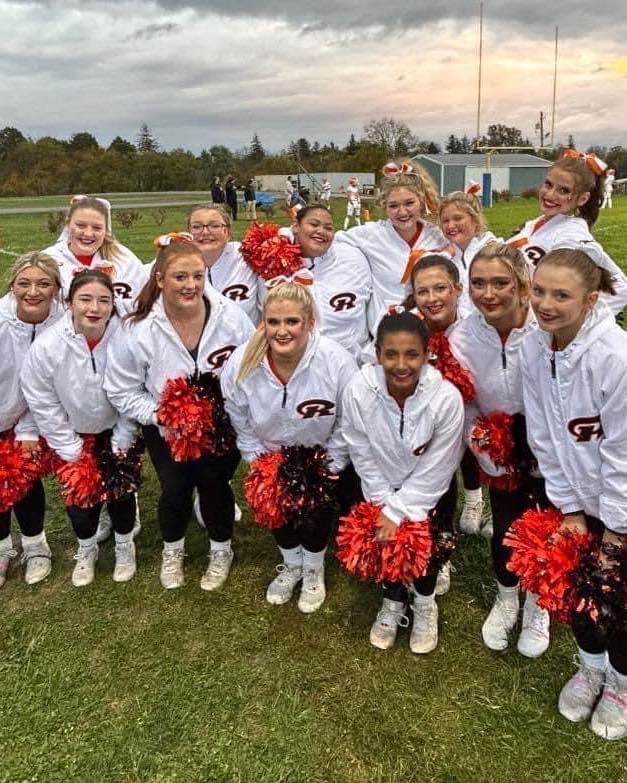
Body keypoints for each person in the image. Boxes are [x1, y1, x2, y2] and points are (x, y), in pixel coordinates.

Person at [105, 238, 254, 591]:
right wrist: (162, 416)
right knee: (175, 487)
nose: (190, 285)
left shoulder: (230, 316)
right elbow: (121, 390)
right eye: (180, 277)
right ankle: (173, 550)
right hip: (167, 429)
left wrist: (228, 413)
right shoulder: (136, 328)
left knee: (215, 485)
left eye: (198, 276)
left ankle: (221, 549)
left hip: (220, 426)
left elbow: (250, 370)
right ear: (159, 279)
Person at [522, 247, 627, 740]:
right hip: (574, 502)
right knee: (575, 593)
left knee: (618, 600)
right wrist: (568, 507)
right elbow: (542, 432)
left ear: (590, 300)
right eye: (539, 291)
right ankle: (591, 667)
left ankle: (622, 684)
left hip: (621, 502)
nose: (545, 304)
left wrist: (614, 530)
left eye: (560, 295)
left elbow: (622, 452)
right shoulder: (533, 346)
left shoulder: (616, 357)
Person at [221, 283, 358, 613]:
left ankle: (313, 569)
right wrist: (257, 457)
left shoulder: (336, 360)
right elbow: (237, 411)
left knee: (315, 515)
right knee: (277, 512)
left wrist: (332, 462)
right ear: (263, 322)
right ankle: (291, 564)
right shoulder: (242, 361)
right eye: (273, 322)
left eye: (292, 322)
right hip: (270, 453)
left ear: (310, 322)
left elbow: (351, 416)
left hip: (319, 455)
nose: (282, 331)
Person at [449, 243, 550, 657]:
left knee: (548, 527)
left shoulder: (546, 328)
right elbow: (466, 399)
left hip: (550, 450)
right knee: (507, 526)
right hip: (500, 447)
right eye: (478, 283)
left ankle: (539, 604)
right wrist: (486, 445)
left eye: (500, 283)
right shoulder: (463, 334)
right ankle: (507, 598)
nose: (488, 293)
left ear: (522, 283)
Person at [342, 311, 464, 652]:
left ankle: (425, 603)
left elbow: (440, 465)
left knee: (429, 549)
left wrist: (401, 510)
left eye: (412, 354)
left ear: (427, 354)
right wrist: (383, 502)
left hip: (431, 491)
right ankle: (392, 600)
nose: (401, 364)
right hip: (379, 487)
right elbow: (359, 447)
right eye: (391, 354)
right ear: (378, 353)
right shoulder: (357, 390)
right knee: (386, 546)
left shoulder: (446, 398)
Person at [20, 271, 139, 587]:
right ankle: (86, 549)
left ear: (113, 305)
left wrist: (125, 433)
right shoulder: (47, 347)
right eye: (85, 299)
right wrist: (68, 445)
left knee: (121, 494)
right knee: (80, 503)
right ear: (69, 302)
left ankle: (125, 544)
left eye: (104, 300)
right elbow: (41, 399)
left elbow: (136, 386)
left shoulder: (126, 338)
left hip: (116, 430)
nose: (94, 308)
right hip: (73, 435)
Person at [0, 252, 63, 587]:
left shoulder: (65, 324)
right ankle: (2, 548)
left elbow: (51, 385)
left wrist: (28, 428)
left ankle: (36, 545)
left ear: (56, 289)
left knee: (24, 478)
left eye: (44, 283)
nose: (33, 291)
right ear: (12, 286)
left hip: (33, 415)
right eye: (24, 283)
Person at [507, 150, 627, 314]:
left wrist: (576, 322)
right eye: (548, 184)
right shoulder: (538, 222)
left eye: (563, 191)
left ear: (582, 199)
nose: (550, 194)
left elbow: (620, 287)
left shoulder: (571, 235)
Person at [336, 160, 450, 332]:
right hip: (386, 335)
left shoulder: (438, 236)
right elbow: (331, 241)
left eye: (409, 203)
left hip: (433, 332)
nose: (402, 212)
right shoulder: (371, 235)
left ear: (421, 201)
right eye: (394, 205)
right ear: (384, 207)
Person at [269, 205, 371, 359]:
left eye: (328, 228)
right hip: (294, 364)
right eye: (314, 224)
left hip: (351, 365)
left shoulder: (353, 258)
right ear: (296, 226)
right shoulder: (272, 260)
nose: (321, 231)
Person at [44, 196, 148, 315]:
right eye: (81, 225)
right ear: (68, 224)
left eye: (97, 228)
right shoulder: (49, 261)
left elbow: (146, 296)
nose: (88, 233)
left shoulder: (123, 257)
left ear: (105, 230)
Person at [187, 204, 260, 324]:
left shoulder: (250, 256)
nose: (205, 232)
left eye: (215, 226)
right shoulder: (176, 265)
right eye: (197, 226)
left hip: (247, 340)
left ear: (228, 232)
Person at [439, 190, 499, 316]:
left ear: (475, 220)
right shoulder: (444, 257)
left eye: (457, 218)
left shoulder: (495, 250)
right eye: (445, 221)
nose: (450, 226)